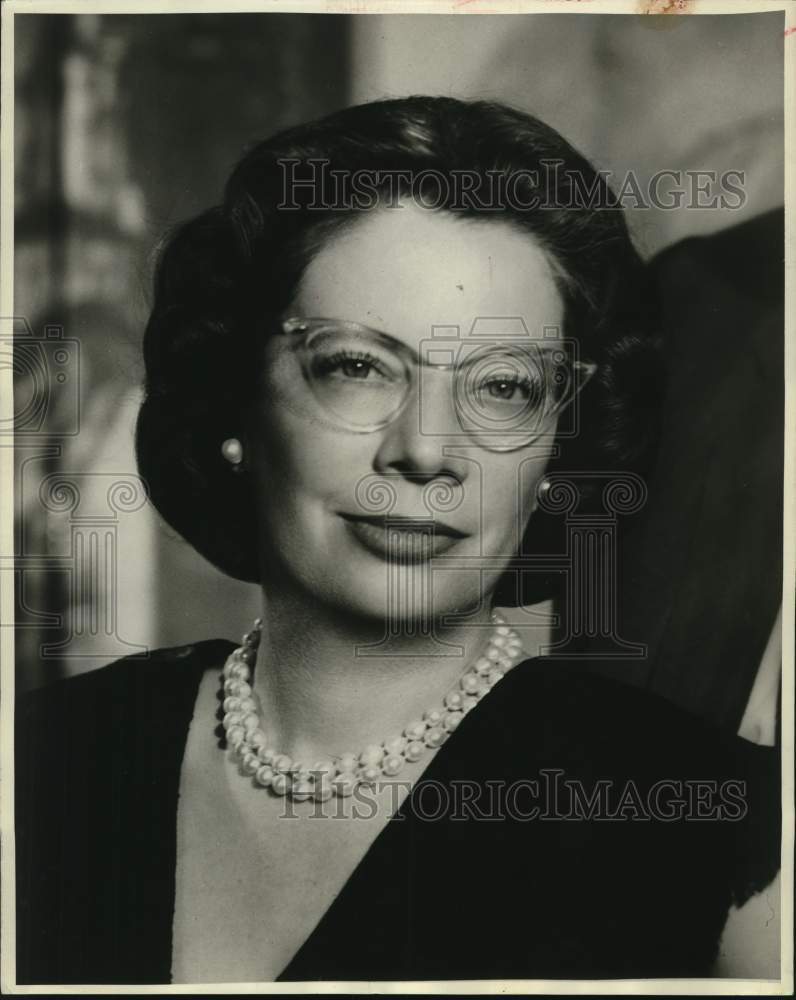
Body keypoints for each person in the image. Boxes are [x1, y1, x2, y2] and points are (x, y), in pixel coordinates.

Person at [15, 96, 780, 985]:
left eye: (503, 386)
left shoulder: (708, 821)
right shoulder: (44, 759)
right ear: (236, 403)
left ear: (556, 449)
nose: (424, 450)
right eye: (356, 366)